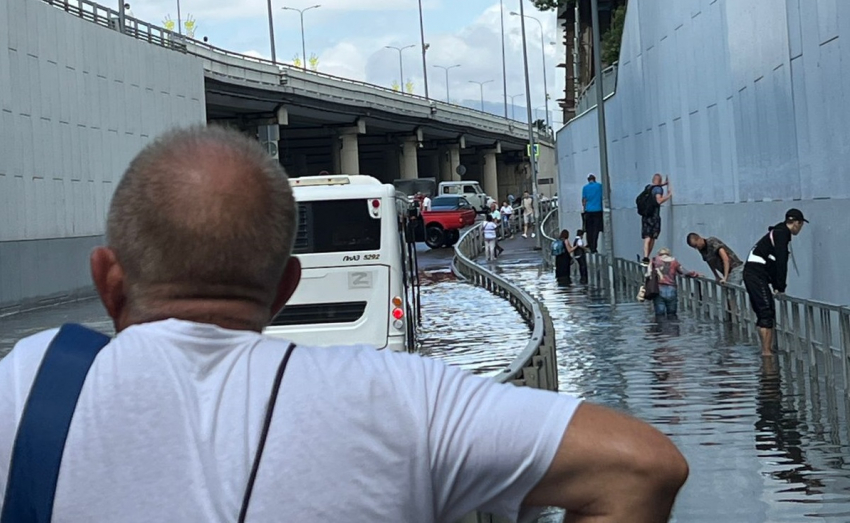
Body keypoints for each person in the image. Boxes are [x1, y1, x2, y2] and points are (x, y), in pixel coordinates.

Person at [0, 127, 688, 522]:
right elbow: (641, 466)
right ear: (285, 287)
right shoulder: (395, 397)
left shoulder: (25, 389)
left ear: (107, 280)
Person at [743, 209, 808, 357]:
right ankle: (766, 353)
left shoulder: (778, 231)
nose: (800, 228)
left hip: (755, 274)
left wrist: (775, 285)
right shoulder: (782, 234)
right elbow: (781, 262)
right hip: (755, 274)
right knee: (766, 311)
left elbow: (772, 262)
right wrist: (780, 287)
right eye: (801, 225)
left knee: (766, 311)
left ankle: (767, 350)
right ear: (797, 223)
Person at [650, 248, 700, 317]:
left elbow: (648, 273)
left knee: (659, 314)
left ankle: (660, 327)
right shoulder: (674, 261)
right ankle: (672, 326)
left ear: (659, 254)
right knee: (672, 314)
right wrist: (695, 274)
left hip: (658, 289)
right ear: (669, 254)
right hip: (671, 288)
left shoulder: (654, 260)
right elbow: (684, 271)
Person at [641, 174, 673, 263]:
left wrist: (663, 184)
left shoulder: (648, 187)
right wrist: (668, 195)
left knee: (647, 237)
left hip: (645, 216)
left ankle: (645, 256)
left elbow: (655, 186)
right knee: (652, 237)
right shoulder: (658, 190)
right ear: (660, 181)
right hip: (654, 216)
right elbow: (659, 200)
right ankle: (647, 257)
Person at [582, 174, 604, 253]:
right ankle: (594, 247)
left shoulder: (585, 188)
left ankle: (590, 245)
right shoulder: (599, 186)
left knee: (589, 230)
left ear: (588, 180)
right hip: (598, 210)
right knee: (596, 230)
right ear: (594, 179)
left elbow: (584, 200)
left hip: (588, 211)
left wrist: (584, 210)